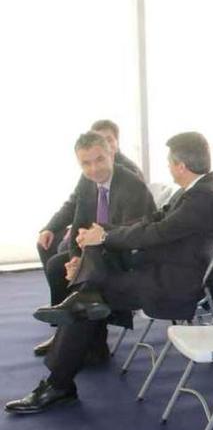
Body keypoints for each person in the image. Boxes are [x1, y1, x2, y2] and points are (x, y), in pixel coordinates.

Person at [7, 132, 213, 415]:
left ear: (180, 166)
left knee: (87, 301)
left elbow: (157, 231)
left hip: (176, 283)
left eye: (169, 161)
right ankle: (62, 372)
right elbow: (153, 220)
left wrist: (104, 238)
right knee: (89, 293)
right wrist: (104, 234)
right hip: (164, 268)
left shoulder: (205, 197)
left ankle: (59, 383)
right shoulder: (199, 190)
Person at [33, 132, 155, 361]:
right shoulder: (87, 181)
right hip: (98, 250)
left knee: (86, 280)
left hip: (129, 257)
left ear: (111, 153)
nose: (94, 169)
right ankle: (80, 338)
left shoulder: (132, 185)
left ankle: (84, 342)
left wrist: (85, 262)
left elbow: (130, 237)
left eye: (99, 159)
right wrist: (75, 259)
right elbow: (80, 222)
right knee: (57, 266)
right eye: (86, 163)